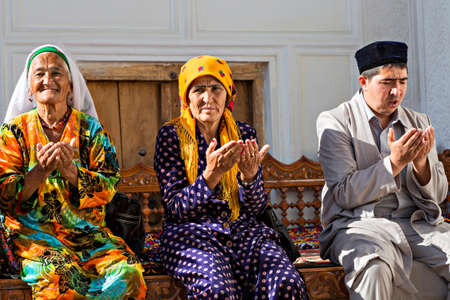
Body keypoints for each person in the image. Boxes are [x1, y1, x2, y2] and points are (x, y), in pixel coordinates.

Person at [154, 55, 308, 299]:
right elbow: (175, 209)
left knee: (285, 282)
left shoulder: (243, 133)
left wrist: (250, 177)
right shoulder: (171, 136)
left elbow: (257, 208)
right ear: (187, 97)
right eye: (198, 90)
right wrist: (209, 177)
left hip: (243, 232)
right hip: (192, 234)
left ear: (227, 94)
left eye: (216, 88)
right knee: (217, 291)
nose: (208, 98)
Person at [0, 44, 147, 299]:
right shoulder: (13, 132)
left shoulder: (91, 130)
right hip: (38, 238)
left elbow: (110, 186)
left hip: (90, 237)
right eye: (40, 74)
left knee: (129, 276)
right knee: (61, 281)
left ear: (70, 87)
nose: (48, 80)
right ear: (29, 90)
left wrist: (71, 172)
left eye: (57, 73)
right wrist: (41, 171)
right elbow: (4, 195)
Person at [316, 41, 449, 299]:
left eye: (402, 81)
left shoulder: (419, 122)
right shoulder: (335, 121)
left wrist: (421, 164)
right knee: (374, 268)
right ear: (363, 82)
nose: (396, 92)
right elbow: (343, 193)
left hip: (414, 224)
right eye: (387, 82)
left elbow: (439, 195)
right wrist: (394, 163)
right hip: (357, 225)